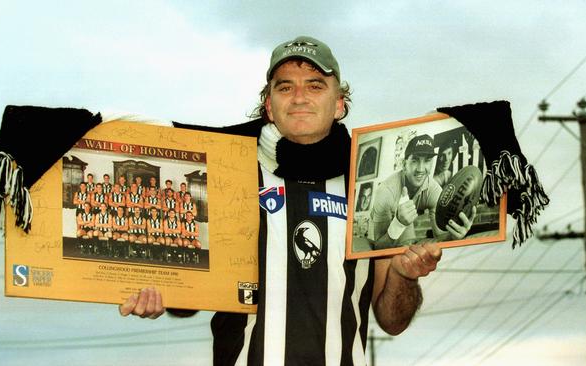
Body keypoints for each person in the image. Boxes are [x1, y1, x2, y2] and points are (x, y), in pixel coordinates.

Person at [120, 36, 443, 365]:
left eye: (315, 86)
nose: (300, 97)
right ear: (269, 105)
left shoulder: (366, 184)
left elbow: (393, 320)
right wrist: (158, 290)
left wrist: (405, 275)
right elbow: (187, 293)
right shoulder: (230, 174)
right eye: (285, 87)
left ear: (339, 104)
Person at [370, 134, 475, 249]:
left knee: (409, 244)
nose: (420, 169)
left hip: (405, 223)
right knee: (400, 247)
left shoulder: (433, 189)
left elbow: (440, 237)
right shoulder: (385, 192)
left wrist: (454, 236)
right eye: (415, 160)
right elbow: (378, 247)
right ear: (404, 165)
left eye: (427, 160)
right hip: (380, 229)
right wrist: (398, 224)